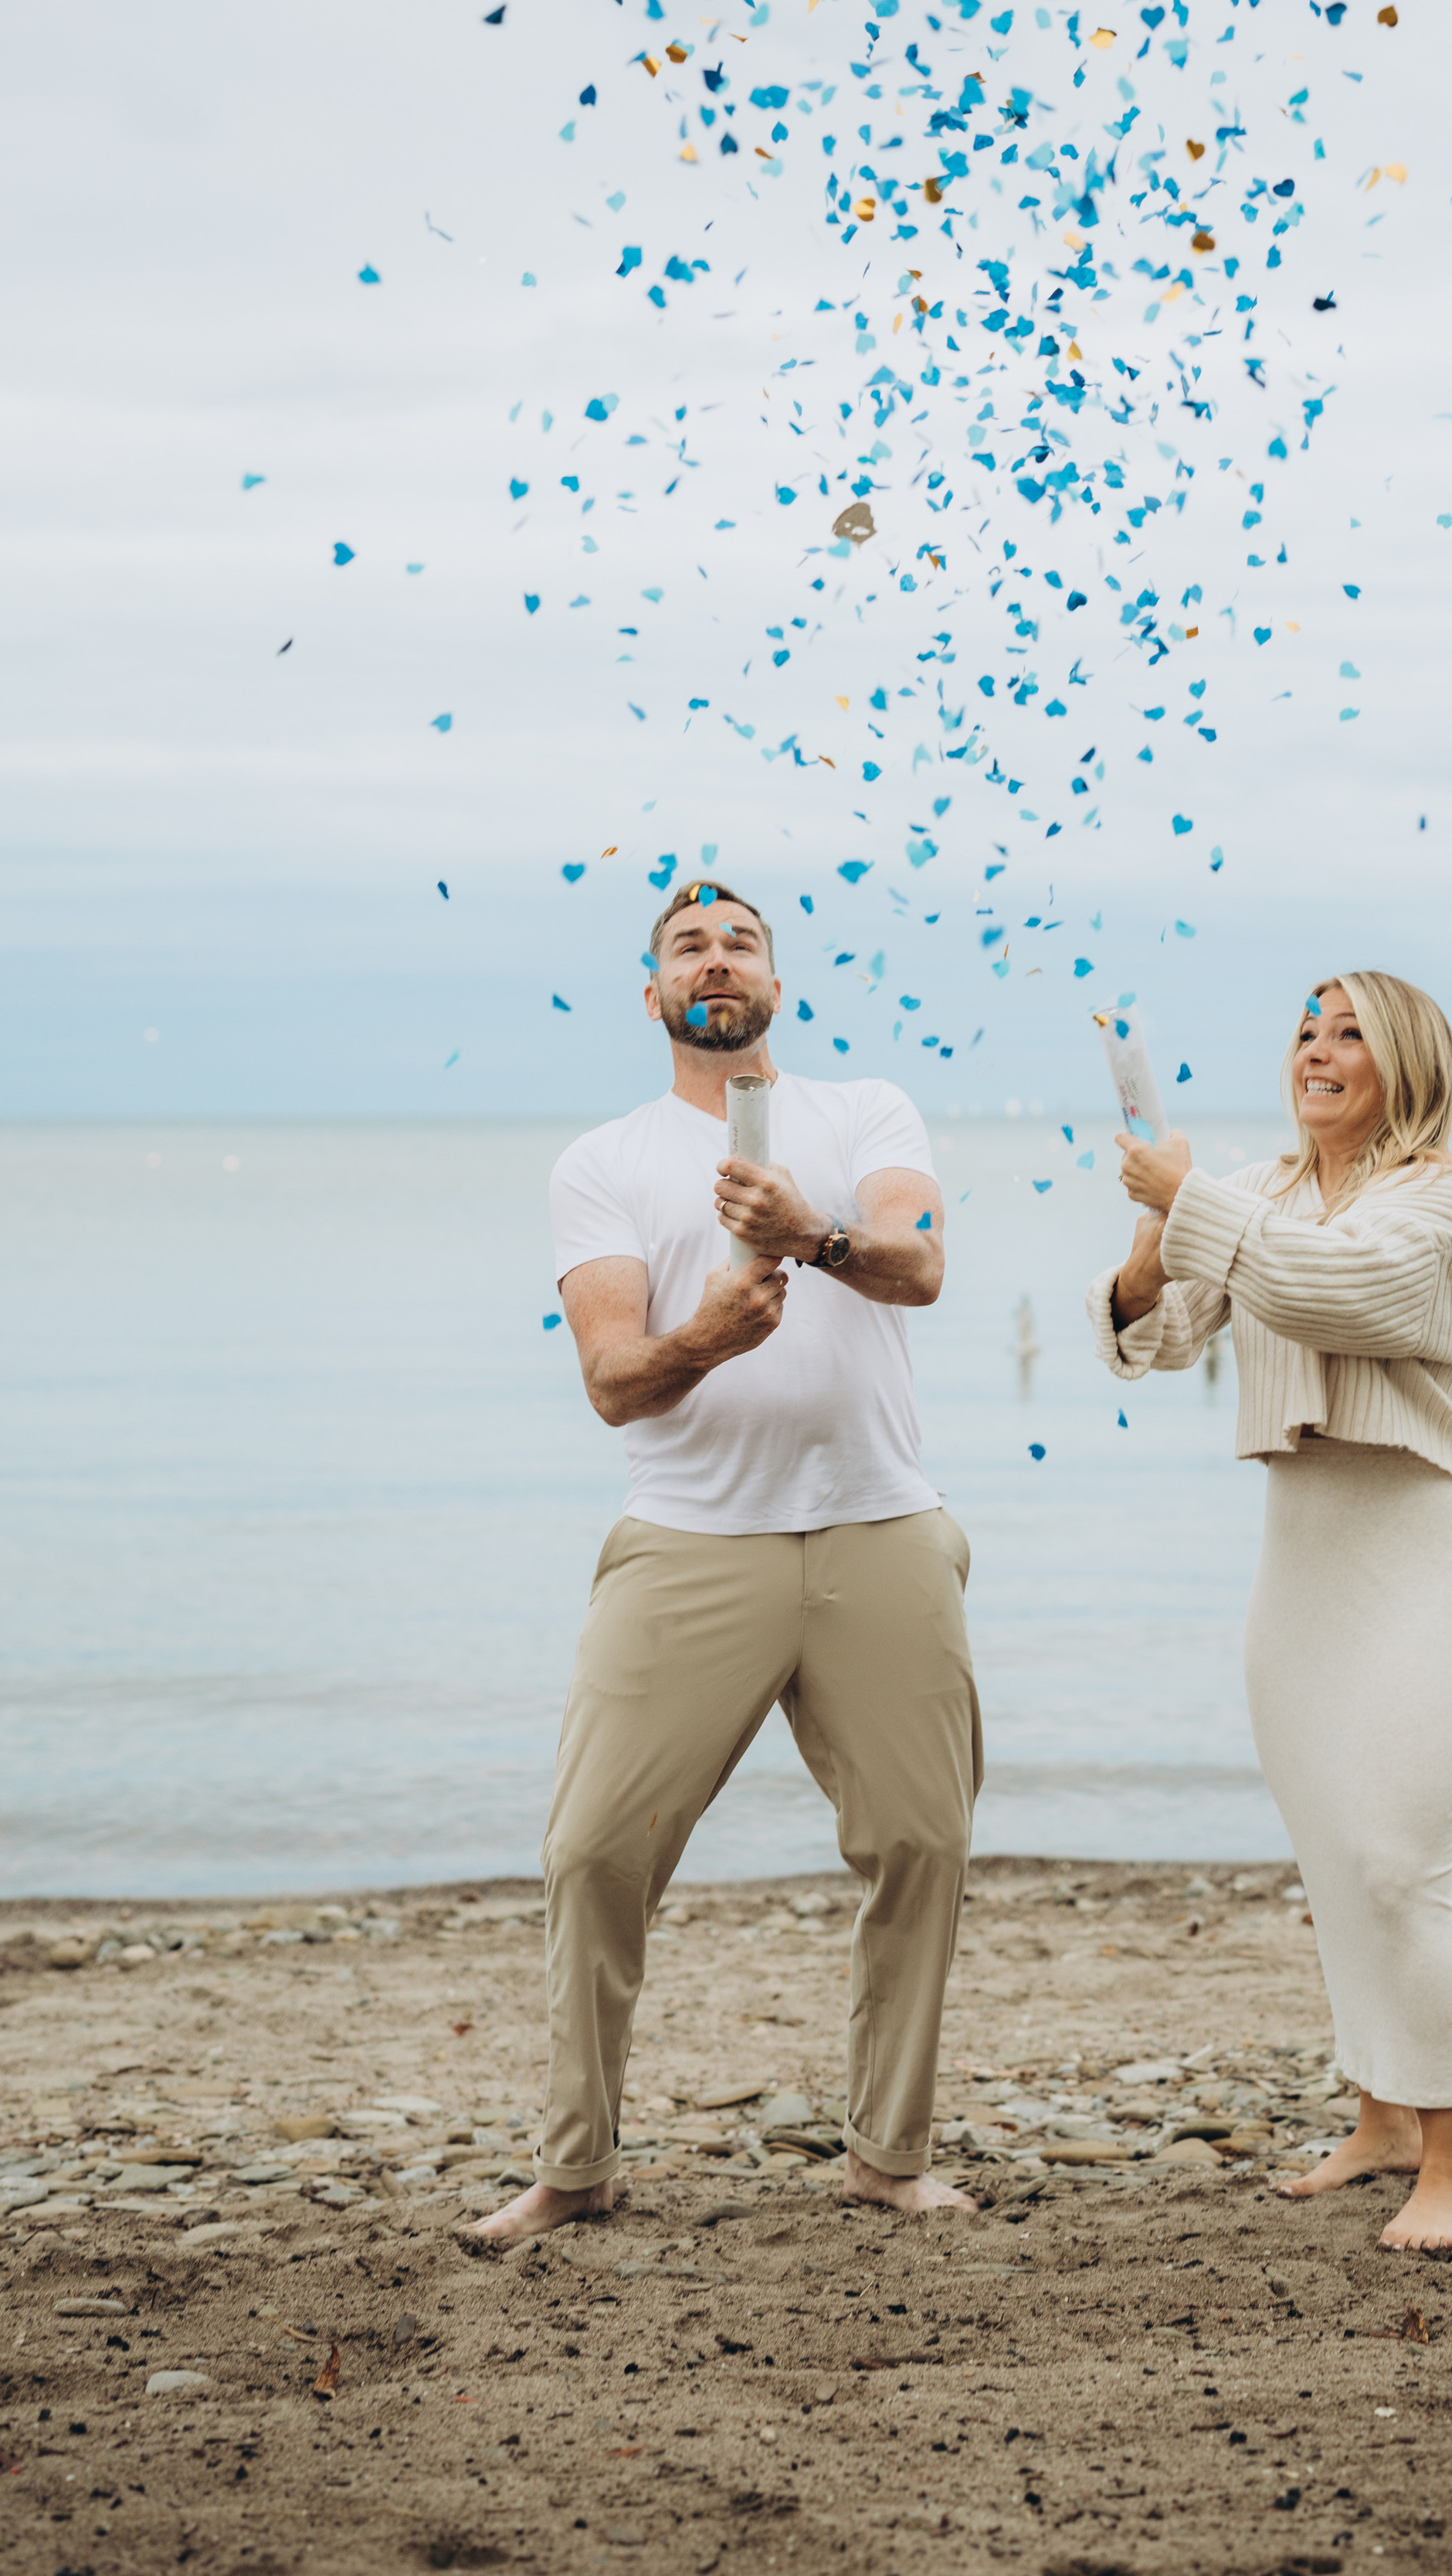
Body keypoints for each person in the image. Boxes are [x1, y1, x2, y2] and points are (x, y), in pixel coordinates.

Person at [474, 877, 981, 2239]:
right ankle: (576, 2170)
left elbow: (920, 1265)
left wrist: (809, 1234)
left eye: (741, 941)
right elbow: (614, 1379)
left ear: (777, 983)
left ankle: (888, 2155)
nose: (717, 958)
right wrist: (708, 1334)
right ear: (653, 996)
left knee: (922, 1843)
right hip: (691, 1544)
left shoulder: (865, 1112)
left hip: (879, 1524)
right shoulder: (606, 1161)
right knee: (591, 1853)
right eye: (687, 945)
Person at [1088, 974, 1452, 2252]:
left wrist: (1189, 1200)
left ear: (1406, 1063)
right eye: (1306, 1032)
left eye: (1349, 1036)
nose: (1317, 1052)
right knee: (1336, 1856)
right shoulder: (1260, 1196)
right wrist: (1150, 1245)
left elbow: (1342, 1291)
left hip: (1421, 1546)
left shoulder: (1449, 1195)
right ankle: (1379, 2114)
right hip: (1303, 1555)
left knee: (1401, 1857)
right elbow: (1154, 1346)